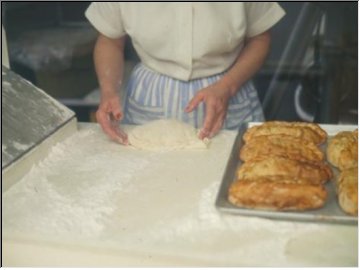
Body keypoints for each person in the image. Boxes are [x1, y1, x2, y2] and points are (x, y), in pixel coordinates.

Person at [85, 2, 285, 145]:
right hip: (152, 92)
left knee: (232, 177)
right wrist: (109, 90)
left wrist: (228, 86)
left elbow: (259, 39)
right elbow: (110, 40)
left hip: (229, 86)